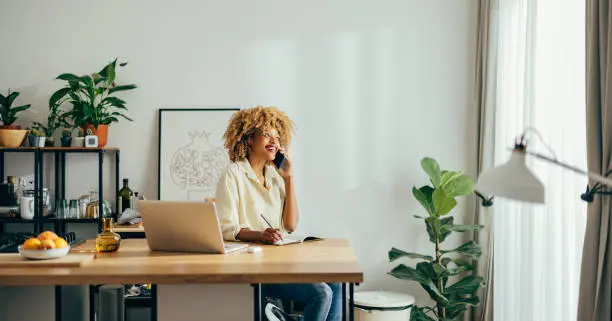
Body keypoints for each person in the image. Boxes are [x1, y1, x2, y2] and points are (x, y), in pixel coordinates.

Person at [214, 105, 342, 321]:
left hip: (278, 260)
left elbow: (291, 226)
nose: (273, 140)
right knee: (321, 293)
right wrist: (261, 234)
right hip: (251, 265)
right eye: (265, 134)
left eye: (276, 135)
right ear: (247, 139)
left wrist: (288, 178)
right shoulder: (233, 174)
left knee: (336, 283)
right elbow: (226, 228)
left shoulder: (275, 176)